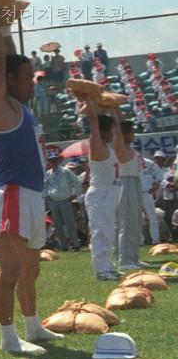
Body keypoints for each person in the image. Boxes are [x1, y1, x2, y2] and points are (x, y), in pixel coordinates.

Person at [0, 18, 63, 356]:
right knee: (11, 271)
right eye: (27, 77)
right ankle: (8, 337)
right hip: (13, 195)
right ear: (9, 80)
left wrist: (5, 26)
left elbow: (8, 57)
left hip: (31, 195)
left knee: (31, 270)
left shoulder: (21, 108)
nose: (32, 82)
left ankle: (33, 326)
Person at [82, 99, 124, 280]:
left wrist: (108, 107)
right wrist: (89, 98)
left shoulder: (107, 146)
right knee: (100, 231)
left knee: (108, 230)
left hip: (109, 191)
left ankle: (107, 265)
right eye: (111, 130)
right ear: (103, 132)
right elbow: (94, 122)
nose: (114, 133)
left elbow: (112, 124)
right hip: (100, 192)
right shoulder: (96, 144)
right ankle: (101, 270)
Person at [114, 119, 144, 269]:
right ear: (123, 134)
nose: (133, 135)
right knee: (127, 223)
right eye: (131, 132)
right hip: (126, 182)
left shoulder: (129, 148)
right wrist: (113, 111)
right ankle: (125, 260)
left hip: (135, 181)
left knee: (135, 221)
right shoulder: (120, 147)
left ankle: (133, 257)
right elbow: (118, 128)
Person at [45, 151, 82, 250]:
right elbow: (45, 186)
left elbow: (77, 181)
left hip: (65, 200)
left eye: (55, 160)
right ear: (49, 161)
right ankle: (63, 246)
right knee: (57, 224)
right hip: (54, 201)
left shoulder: (65, 171)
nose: (53, 162)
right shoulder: (48, 173)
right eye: (51, 160)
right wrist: (47, 195)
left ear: (58, 161)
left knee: (70, 223)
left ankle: (76, 244)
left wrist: (74, 194)